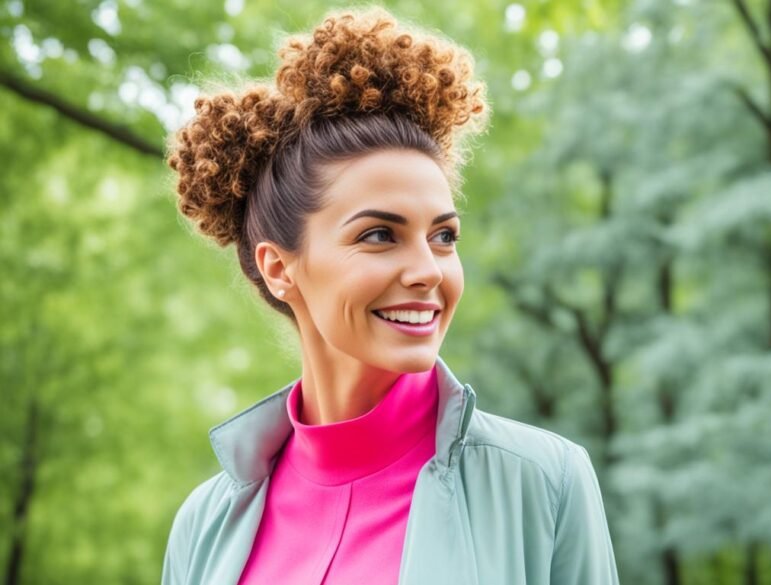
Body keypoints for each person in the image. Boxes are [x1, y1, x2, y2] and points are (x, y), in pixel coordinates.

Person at [161, 6, 619, 585]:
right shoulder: (203, 525)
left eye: (444, 236)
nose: (428, 270)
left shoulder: (545, 482)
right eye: (380, 235)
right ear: (280, 267)